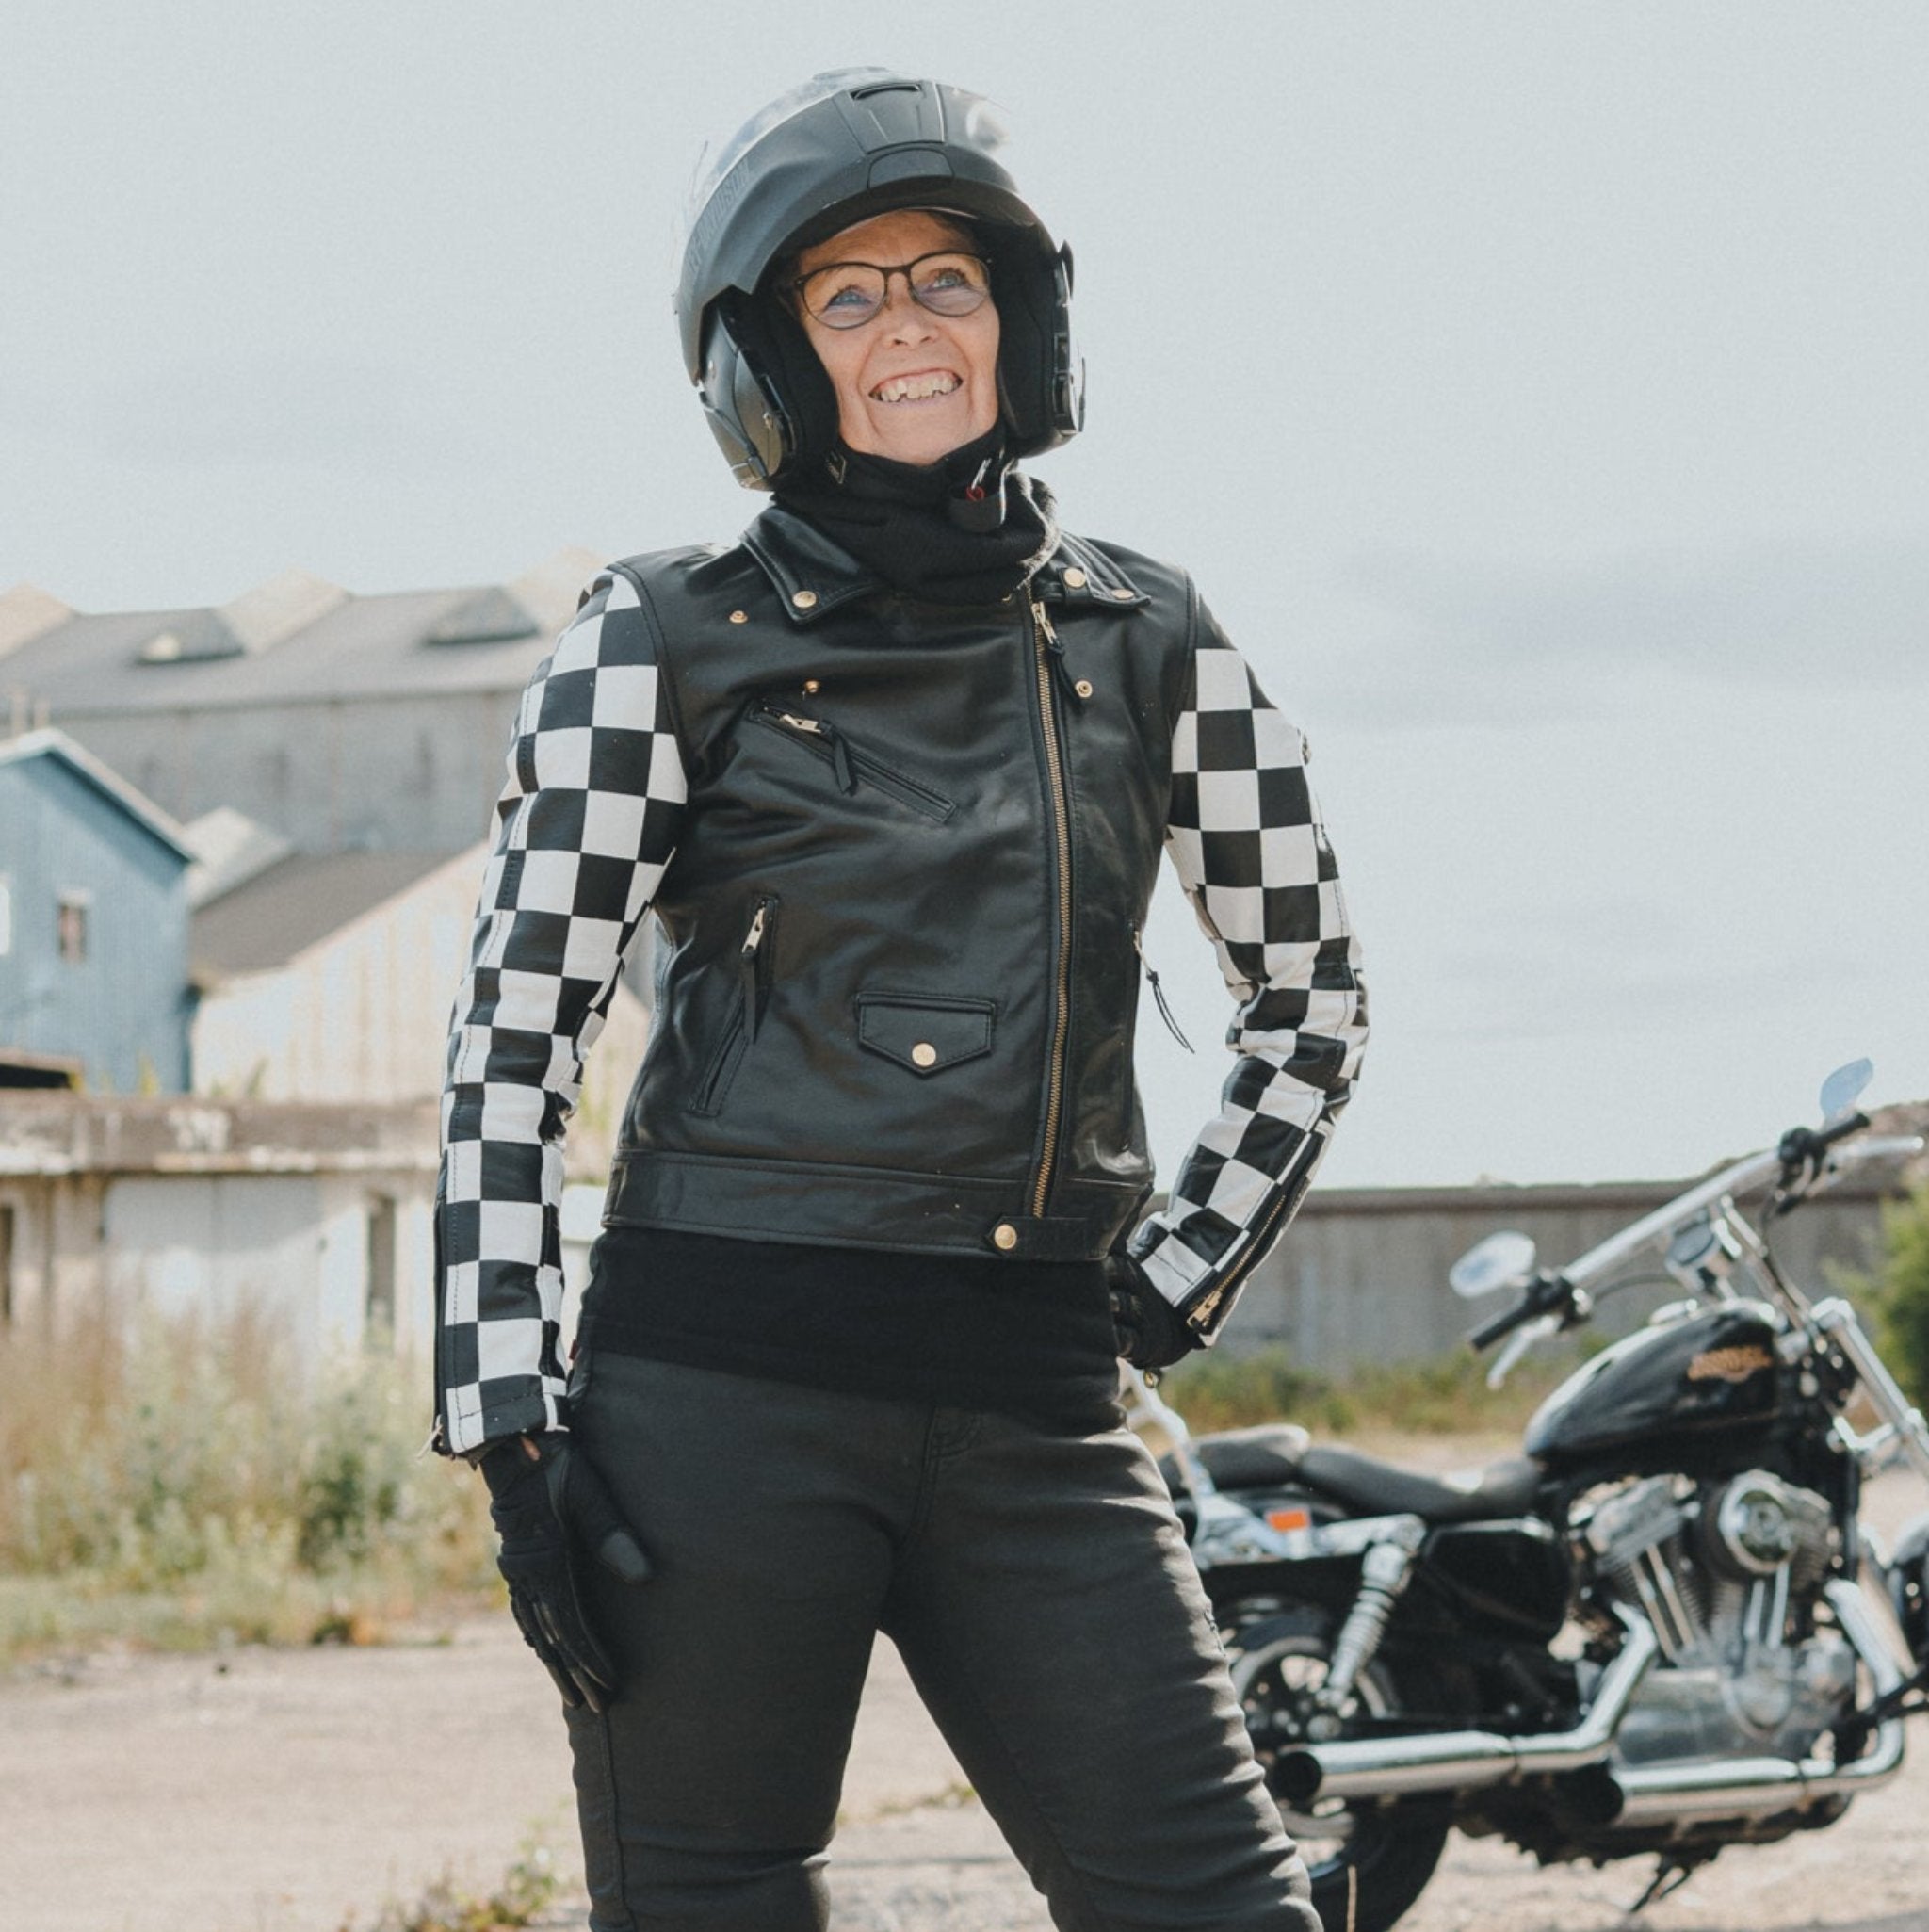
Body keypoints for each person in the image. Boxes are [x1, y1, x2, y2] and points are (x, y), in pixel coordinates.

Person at [433, 70, 1366, 1932]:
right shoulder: (655, 636)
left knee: (1215, 1908)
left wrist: (1168, 1281)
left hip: (1035, 1404)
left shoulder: (1151, 635)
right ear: (765, 360)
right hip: (715, 1394)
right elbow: (517, 1040)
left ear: (1024, 322)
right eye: (845, 296)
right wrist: (505, 1417)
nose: (906, 326)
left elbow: (1311, 995)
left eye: (943, 278)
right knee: (711, 1900)